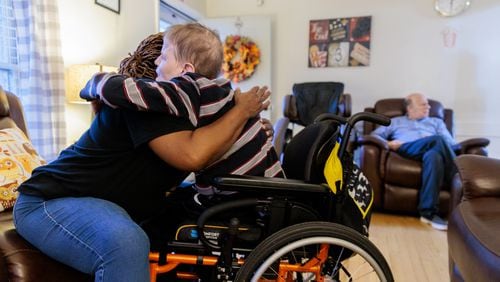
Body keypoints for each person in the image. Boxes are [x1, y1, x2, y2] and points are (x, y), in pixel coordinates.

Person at [13, 34, 271, 282]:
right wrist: (240, 112)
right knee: (125, 243)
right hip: (49, 201)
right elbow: (193, 156)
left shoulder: (195, 108)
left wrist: (246, 129)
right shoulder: (147, 104)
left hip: (107, 201)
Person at [80, 23, 284, 198]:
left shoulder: (188, 88)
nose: (157, 62)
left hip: (244, 197)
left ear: (186, 71)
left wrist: (96, 83)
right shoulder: (224, 93)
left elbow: (130, 91)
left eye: (164, 57)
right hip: (271, 185)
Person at [371, 93, 456, 231]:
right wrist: (389, 143)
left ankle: (428, 213)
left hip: (433, 150)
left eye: (428, 103)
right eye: (423, 104)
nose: (428, 107)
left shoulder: (437, 122)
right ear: (410, 108)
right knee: (437, 140)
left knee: (434, 156)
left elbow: (451, 143)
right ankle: (460, 180)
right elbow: (374, 136)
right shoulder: (396, 121)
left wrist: (431, 141)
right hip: (407, 148)